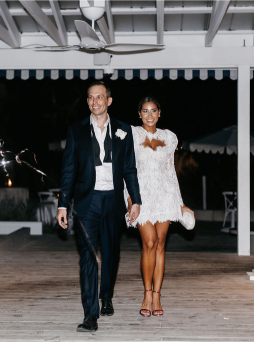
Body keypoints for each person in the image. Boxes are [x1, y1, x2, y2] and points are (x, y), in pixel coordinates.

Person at [56, 81, 142, 332]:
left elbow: (129, 169)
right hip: (87, 201)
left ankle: (107, 296)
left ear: (109, 101)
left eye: (100, 97)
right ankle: (90, 314)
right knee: (89, 257)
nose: (95, 102)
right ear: (88, 102)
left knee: (111, 251)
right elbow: (68, 170)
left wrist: (135, 200)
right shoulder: (76, 130)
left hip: (113, 200)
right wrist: (63, 204)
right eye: (91, 98)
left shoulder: (124, 130)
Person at [125, 97, 194, 317]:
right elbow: (127, 170)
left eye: (153, 111)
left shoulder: (169, 137)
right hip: (141, 196)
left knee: (161, 244)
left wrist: (181, 204)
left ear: (159, 113)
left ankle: (157, 295)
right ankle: (146, 293)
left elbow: (170, 172)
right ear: (139, 114)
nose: (149, 115)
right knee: (149, 242)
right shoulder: (132, 135)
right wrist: (129, 200)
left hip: (165, 196)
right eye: (144, 111)